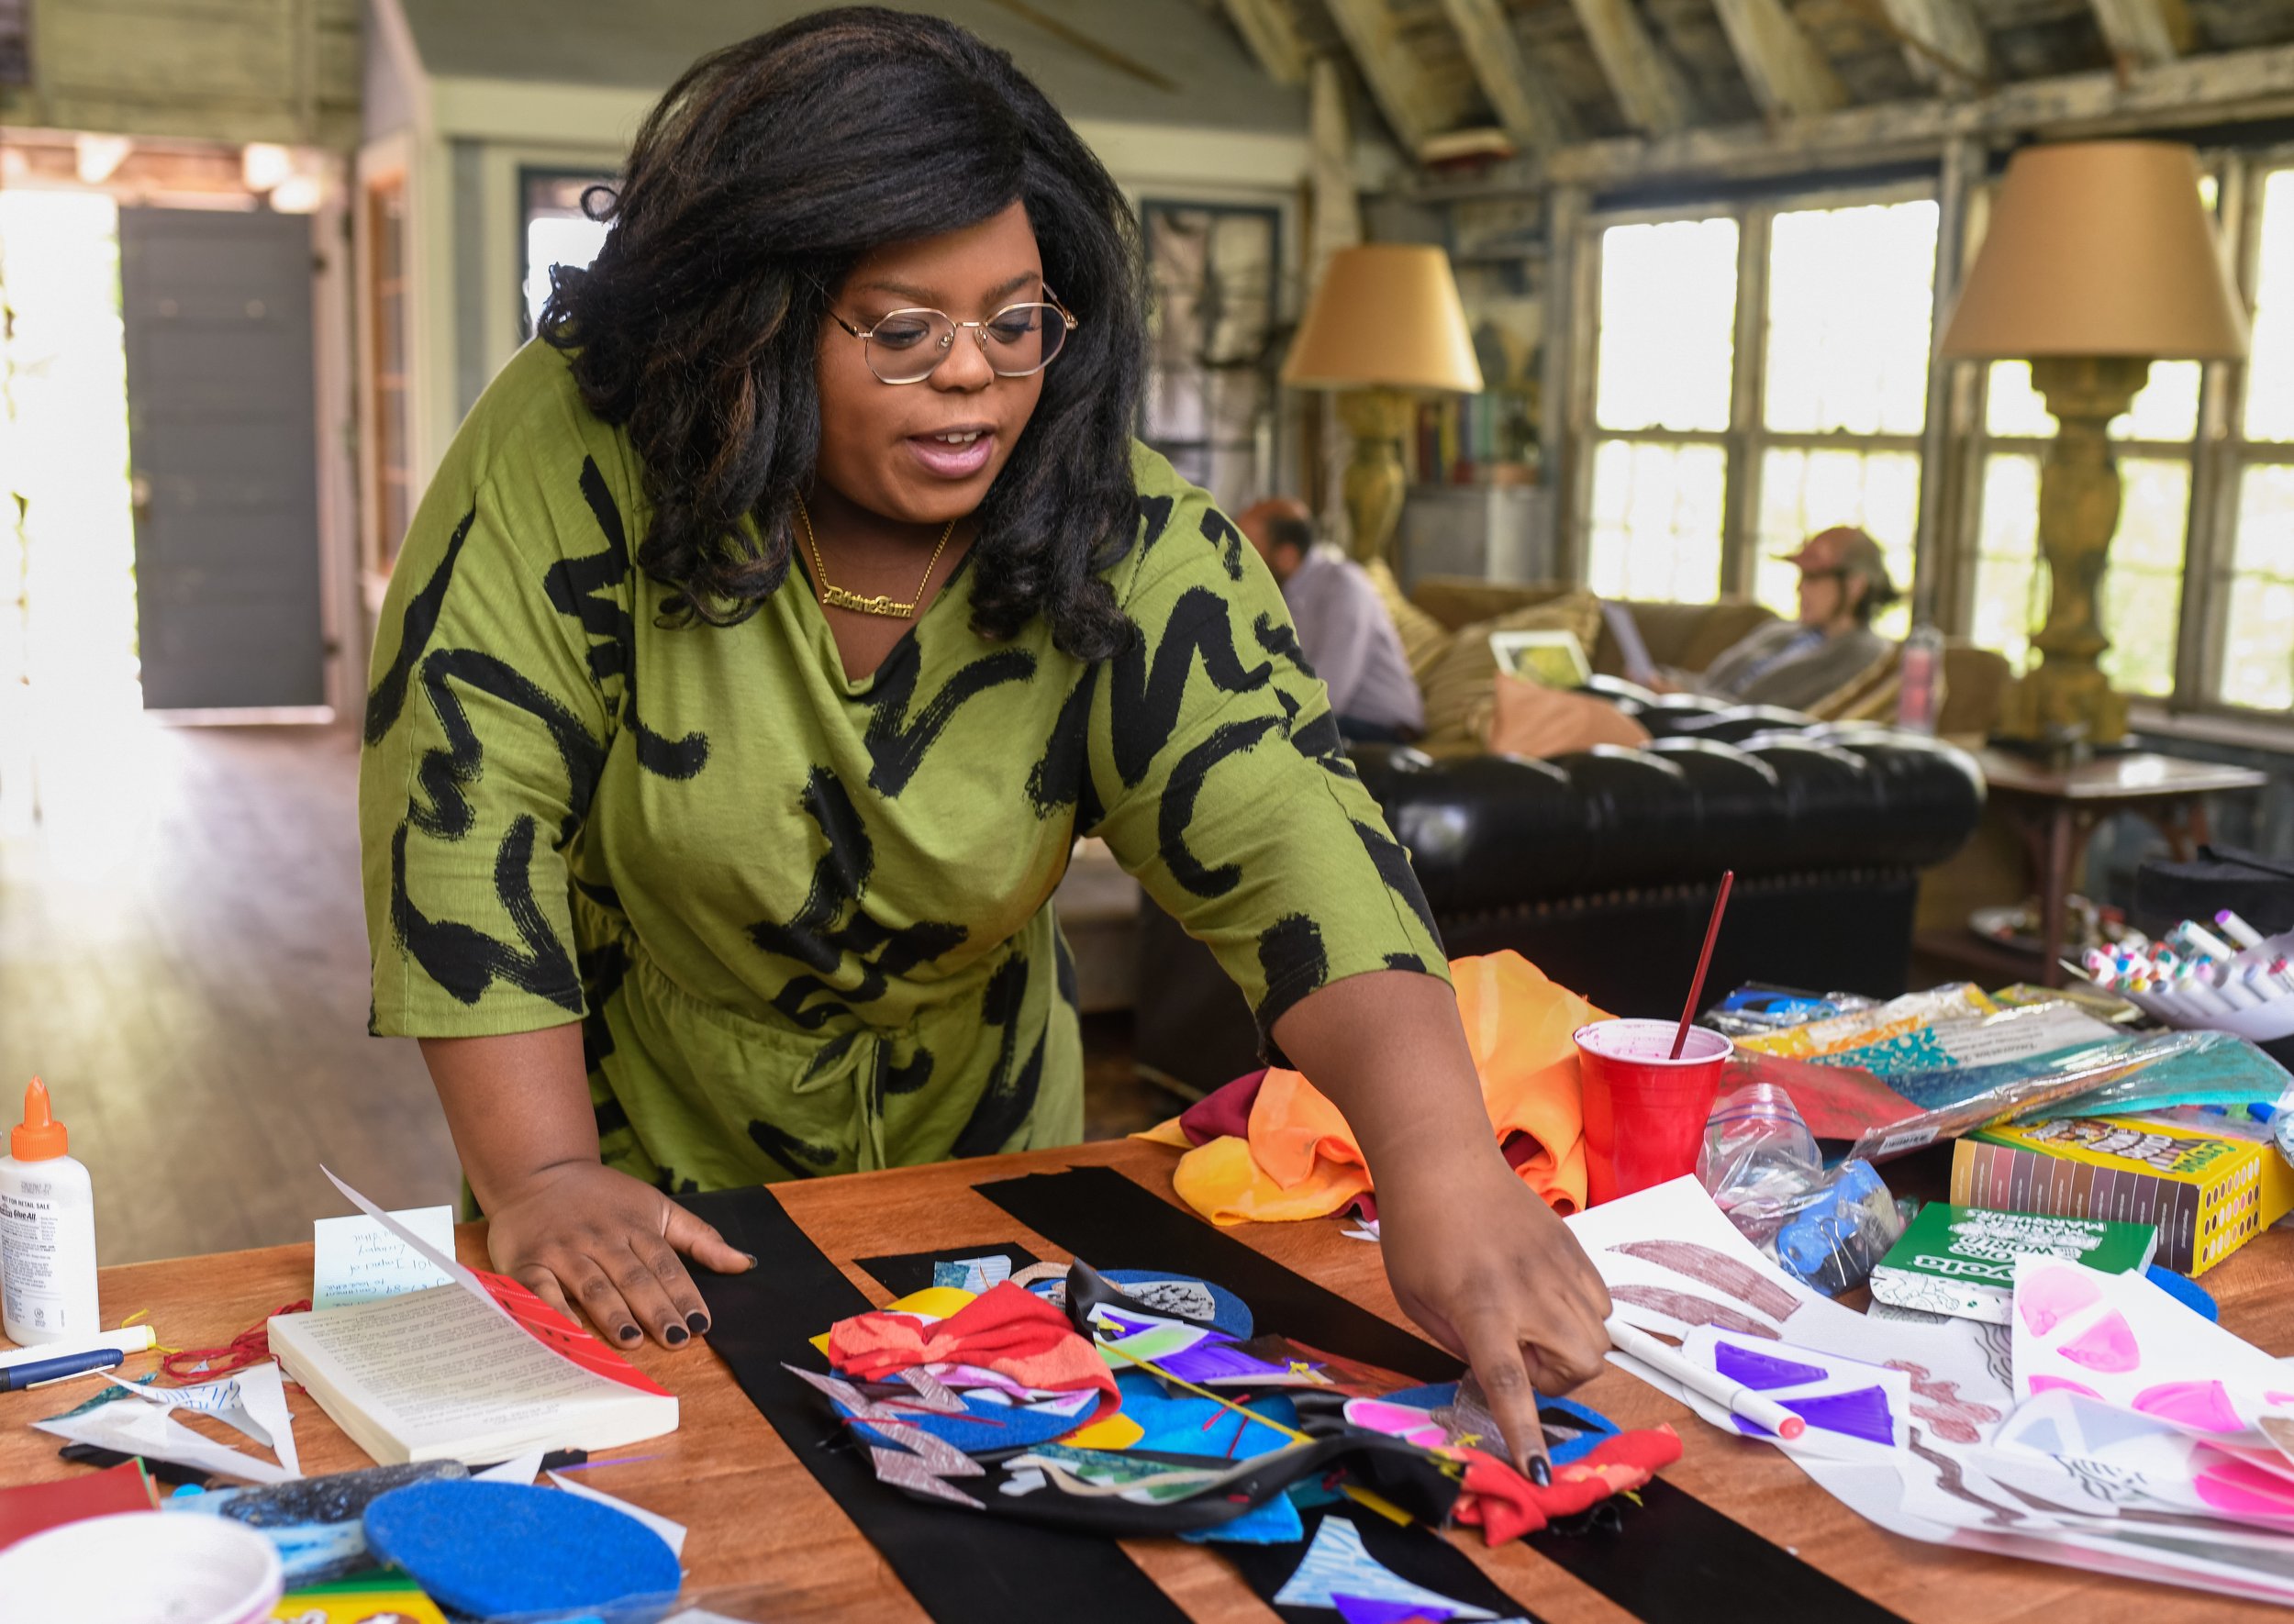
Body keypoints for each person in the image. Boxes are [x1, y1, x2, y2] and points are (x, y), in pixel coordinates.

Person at [356, 9, 1607, 1471]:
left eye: (1017, 321)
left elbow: (1288, 824)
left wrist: (1444, 1165)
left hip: (985, 1133)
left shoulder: (1112, 511)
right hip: (626, 1150)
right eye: (903, 329)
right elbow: (461, 804)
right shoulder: (573, 449)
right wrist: (545, 1172)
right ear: (755, 320)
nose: (975, 376)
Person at [1236, 498, 1424, 744]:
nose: (1234, 557)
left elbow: (1327, 696)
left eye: (1245, 547)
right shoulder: (1279, 592)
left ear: (1287, 556)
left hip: (1382, 732)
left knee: (1258, 737)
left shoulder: (1344, 588)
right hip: (1337, 720)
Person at [1676, 526, 1899, 712]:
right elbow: (1709, 683)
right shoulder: (1778, 631)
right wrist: (1667, 684)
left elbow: (1777, 718)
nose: (1800, 588)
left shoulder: (1865, 655)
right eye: (1801, 577)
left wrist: (1692, 701)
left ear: (1855, 586)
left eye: (1813, 578)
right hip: (1685, 711)